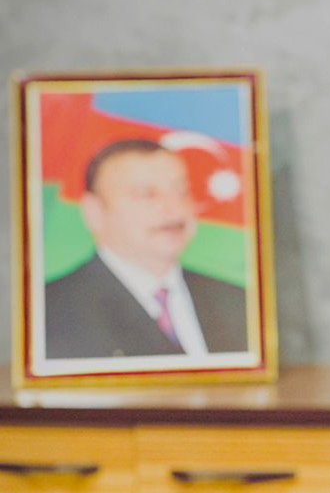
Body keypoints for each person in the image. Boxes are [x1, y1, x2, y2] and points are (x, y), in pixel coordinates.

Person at [44, 139, 248, 360]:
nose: (174, 209)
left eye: (182, 192)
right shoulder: (50, 312)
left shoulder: (238, 301)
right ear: (94, 212)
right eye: (147, 194)